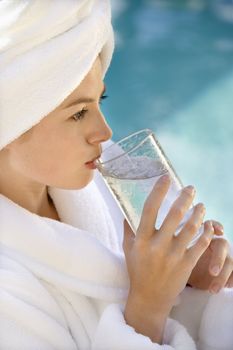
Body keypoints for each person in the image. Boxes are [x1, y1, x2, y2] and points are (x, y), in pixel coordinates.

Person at [0, 1, 232, 349]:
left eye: (100, 101)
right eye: (78, 114)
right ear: (10, 125)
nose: (105, 132)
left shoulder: (109, 171)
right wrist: (147, 306)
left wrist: (191, 277)